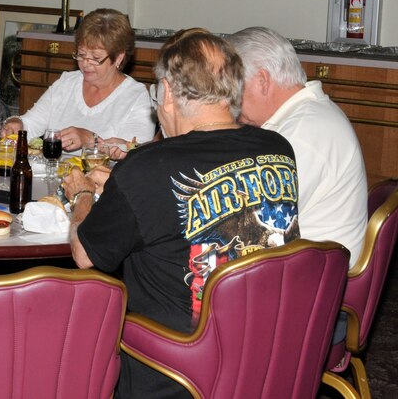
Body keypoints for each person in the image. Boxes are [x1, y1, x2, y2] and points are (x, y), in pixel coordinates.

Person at [64, 28, 300, 399]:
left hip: (176, 372)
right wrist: (125, 189)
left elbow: (84, 254)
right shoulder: (278, 148)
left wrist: (81, 196)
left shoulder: (146, 168)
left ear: (168, 92)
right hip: (267, 352)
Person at [228, 26, 367, 267]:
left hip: (312, 281)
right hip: (308, 265)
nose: (228, 100)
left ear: (262, 80)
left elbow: (250, 222)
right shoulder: (306, 115)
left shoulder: (301, 133)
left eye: (233, 87)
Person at [1, 8, 155, 153]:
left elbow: (136, 153)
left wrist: (90, 140)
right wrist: (17, 124)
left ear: (119, 58)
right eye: (81, 54)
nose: (85, 63)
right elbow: (31, 123)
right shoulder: (67, 83)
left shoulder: (135, 96)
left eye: (95, 58)